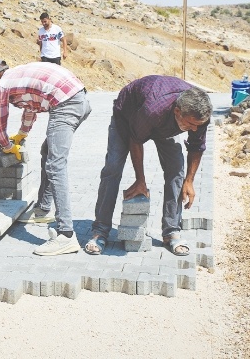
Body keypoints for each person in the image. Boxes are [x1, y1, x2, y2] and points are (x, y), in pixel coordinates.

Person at [85, 75, 212, 256]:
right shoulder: (154, 109)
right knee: (112, 168)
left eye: (197, 125)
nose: (194, 129)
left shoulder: (199, 115)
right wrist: (140, 180)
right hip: (127, 116)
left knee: (176, 171)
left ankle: (172, 231)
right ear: (177, 111)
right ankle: (100, 230)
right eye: (190, 124)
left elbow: (197, 146)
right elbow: (135, 140)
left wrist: (189, 180)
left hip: (162, 122)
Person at [0, 59, 91, 256]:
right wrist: (22, 134)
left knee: (55, 166)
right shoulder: (19, 76)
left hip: (66, 104)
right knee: (47, 152)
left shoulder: (3, 85)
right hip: (79, 99)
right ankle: (42, 209)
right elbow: (31, 107)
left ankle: (66, 235)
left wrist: (6, 146)